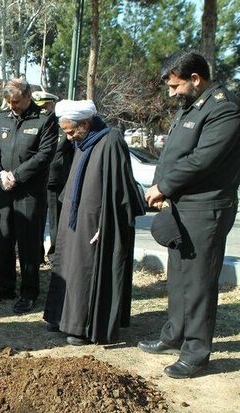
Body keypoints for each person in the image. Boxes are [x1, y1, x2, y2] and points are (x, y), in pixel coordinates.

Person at [137, 51, 240, 379]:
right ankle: (174, 335)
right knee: (179, 276)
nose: (171, 93)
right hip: (182, 206)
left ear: (196, 78)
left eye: (175, 86)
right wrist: (162, 185)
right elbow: (175, 153)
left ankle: (196, 353)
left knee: (198, 283)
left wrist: (163, 186)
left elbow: (203, 160)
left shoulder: (224, 108)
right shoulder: (192, 106)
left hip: (206, 208)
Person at [43, 99, 145, 345]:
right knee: (68, 264)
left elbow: (119, 188)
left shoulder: (110, 140)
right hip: (74, 215)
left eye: (70, 131)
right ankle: (63, 318)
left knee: (84, 270)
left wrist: (106, 223)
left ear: (85, 123)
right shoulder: (81, 139)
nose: (68, 137)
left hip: (95, 221)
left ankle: (82, 326)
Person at [0, 78, 58, 314]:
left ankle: (29, 292)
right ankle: (4, 287)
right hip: (4, 188)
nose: (12, 106)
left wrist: (16, 175)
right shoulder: (2, 118)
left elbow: (45, 155)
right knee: (3, 240)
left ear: (28, 96)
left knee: (28, 243)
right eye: (8, 101)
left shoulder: (44, 120)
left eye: (16, 101)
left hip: (29, 192)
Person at [32, 91, 74, 264]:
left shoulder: (62, 125)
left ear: (52, 105)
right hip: (36, 178)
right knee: (36, 219)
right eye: (40, 107)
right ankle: (35, 253)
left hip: (56, 180)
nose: (43, 110)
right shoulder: (35, 124)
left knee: (56, 221)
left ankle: (55, 255)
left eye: (45, 107)